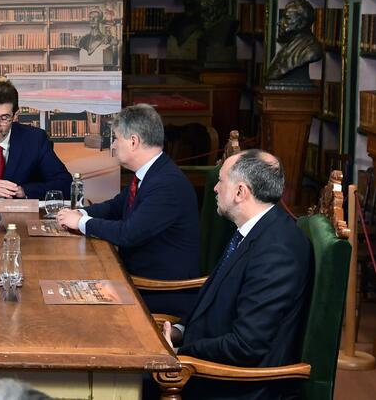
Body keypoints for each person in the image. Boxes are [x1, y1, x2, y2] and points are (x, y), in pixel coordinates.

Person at [161, 150, 312, 399]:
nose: (215, 188)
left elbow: (246, 346)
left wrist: (180, 353)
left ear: (240, 192)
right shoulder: (253, 230)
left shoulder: (277, 250)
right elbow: (215, 300)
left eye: (221, 181)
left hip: (234, 385)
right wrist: (178, 330)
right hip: (209, 364)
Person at [56, 104, 200, 318]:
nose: (113, 145)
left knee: (71, 308)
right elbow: (114, 207)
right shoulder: (152, 173)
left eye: (116, 138)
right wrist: (81, 213)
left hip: (158, 290)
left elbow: (128, 233)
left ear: (133, 141)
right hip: (133, 277)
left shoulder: (166, 184)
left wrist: (81, 223)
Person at [267, 0, 323, 85]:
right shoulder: (288, 45)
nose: (279, 22)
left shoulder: (312, 50)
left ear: (301, 23)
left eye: (287, 18)